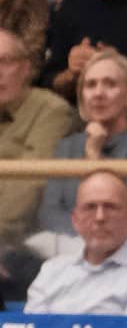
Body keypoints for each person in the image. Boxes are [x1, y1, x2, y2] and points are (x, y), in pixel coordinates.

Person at [32, 49, 127, 248]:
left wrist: (94, 155)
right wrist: (83, 239)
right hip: (68, 247)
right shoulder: (67, 146)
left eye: (110, 84)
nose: (98, 93)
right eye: (90, 85)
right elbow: (49, 212)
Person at [25, 170, 127, 316]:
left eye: (110, 207)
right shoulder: (51, 271)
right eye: (90, 207)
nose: (100, 217)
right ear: (75, 220)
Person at [0, 25, 75, 247]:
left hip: (18, 240)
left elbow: (30, 186)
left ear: (26, 69)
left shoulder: (50, 110)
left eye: (5, 61)